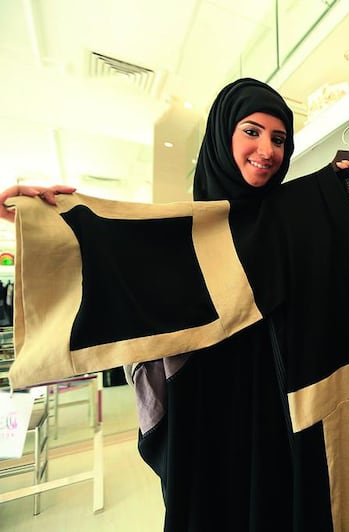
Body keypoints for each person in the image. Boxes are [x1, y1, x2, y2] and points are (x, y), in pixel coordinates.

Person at [0, 78, 300, 530]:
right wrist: (41, 221)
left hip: (282, 410)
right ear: (223, 137)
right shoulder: (185, 232)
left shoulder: (292, 222)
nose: (267, 150)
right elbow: (109, 261)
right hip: (206, 417)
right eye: (252, 131)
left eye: (279, 139)